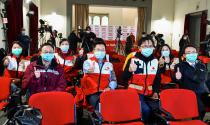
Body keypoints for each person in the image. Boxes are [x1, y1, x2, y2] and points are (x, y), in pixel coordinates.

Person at [122, 36, 161, 123]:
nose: (148, 48)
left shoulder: (155, 60)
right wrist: (129, 71)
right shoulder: (133, 58)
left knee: (157, 109)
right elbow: (123, 78)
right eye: (145, 46)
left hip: (149, 93)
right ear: (139, 48)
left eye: (150, 46)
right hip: (134, 93)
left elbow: (157, 79)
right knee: (145, 110)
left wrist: (156, 92)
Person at [172, 44, 209, 120]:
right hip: (190, 93)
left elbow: (205, 78)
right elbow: (177, 80)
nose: (191, 54)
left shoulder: (201, 65)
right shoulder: (180, 66)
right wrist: (177, 77)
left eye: (193, 52)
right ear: (184, 55)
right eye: (189, 52)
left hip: (204, 92)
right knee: (201, 109)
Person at [82, 38, 117, 110]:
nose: (100, 52)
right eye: (98, 50)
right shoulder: (88, 62)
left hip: (106, 91)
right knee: (102, 105)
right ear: (94, 51)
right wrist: (89, 70)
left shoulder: (109, 64)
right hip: (92, 92)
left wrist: (110, 87)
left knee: (116, 104)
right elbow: (85, 69)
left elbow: (114, 79)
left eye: (103, 50)